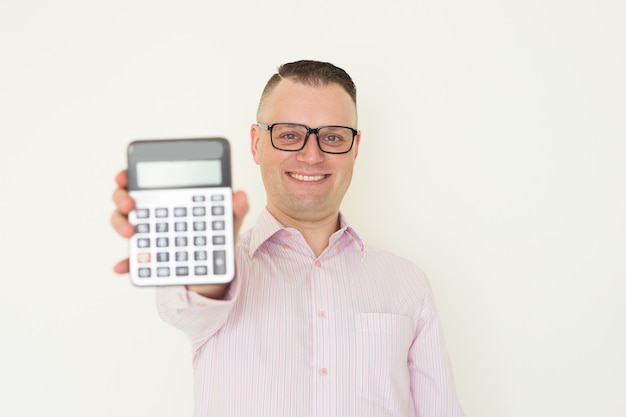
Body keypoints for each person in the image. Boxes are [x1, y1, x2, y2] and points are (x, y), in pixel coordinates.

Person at [111, 60, 466, 417]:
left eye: (332, 137)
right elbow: (193, 300)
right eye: (289, 135)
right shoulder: (226, 272)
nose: (312, 155)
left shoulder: (407, 283)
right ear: (256, 143)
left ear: (355, 148)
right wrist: (206, 250)